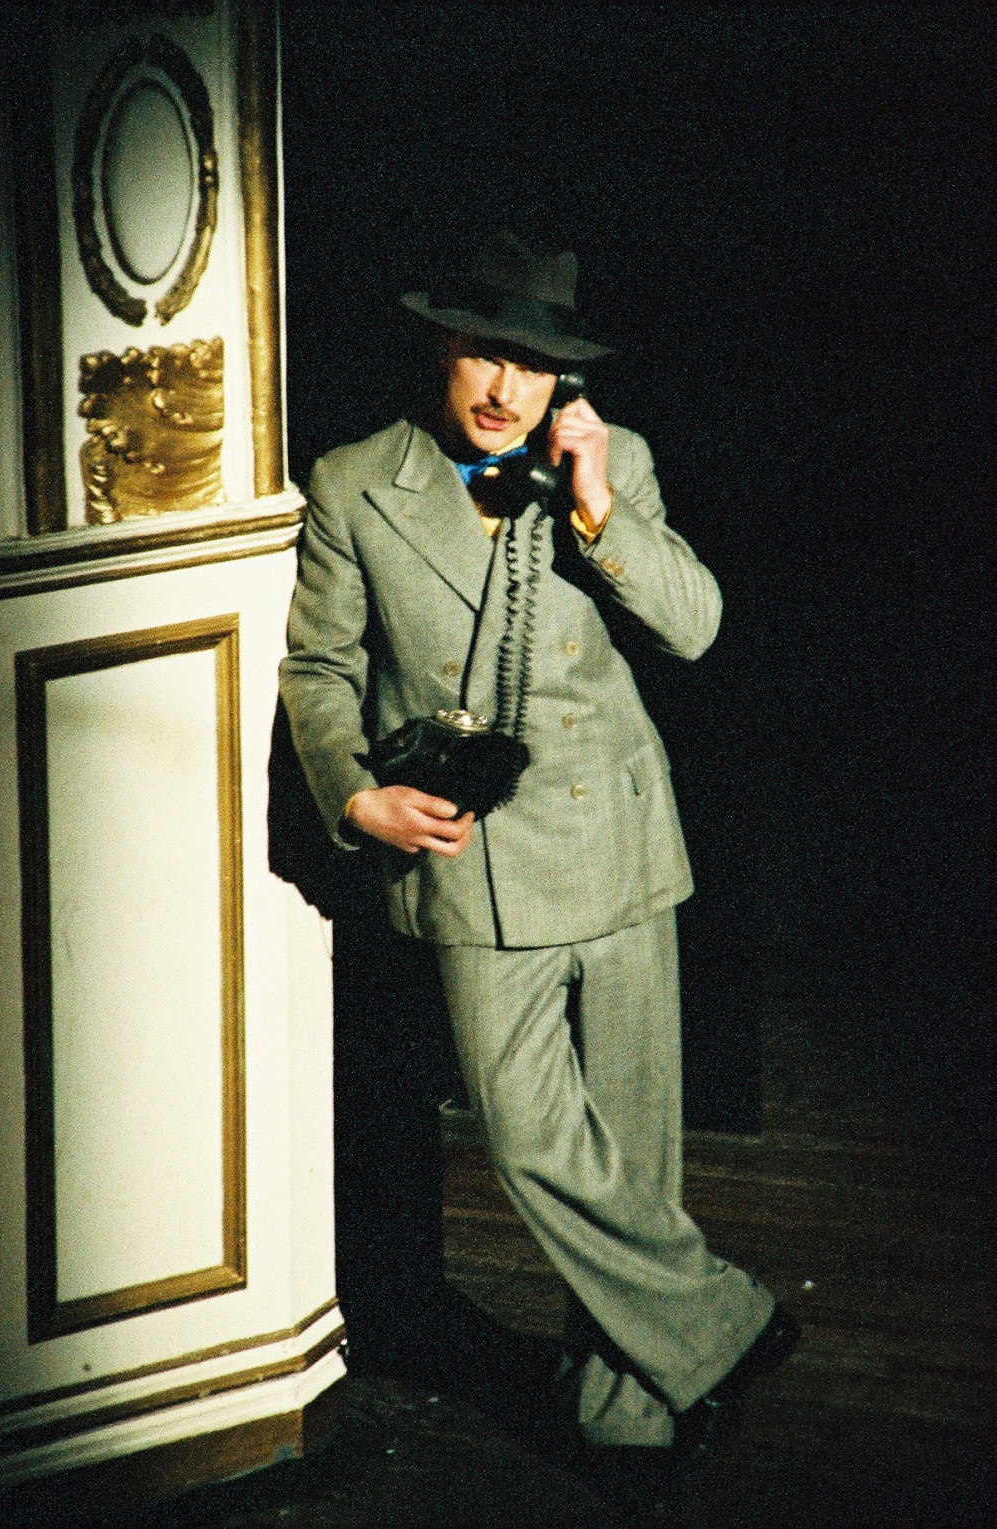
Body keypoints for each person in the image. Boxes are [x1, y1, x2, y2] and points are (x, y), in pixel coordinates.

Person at [279, 231, 798, 1486]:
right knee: (526, 1137)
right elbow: (319, 667)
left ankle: (631, 1416)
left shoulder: (609, 466)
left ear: (563, 374)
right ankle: (727, 1320)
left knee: (632, 1148)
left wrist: (598, 507)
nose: (502, 387)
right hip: (470, 860)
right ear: (439, 347)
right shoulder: (356, 482)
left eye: (529, 362)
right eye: (480, 353)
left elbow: (696, 626)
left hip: (613, 839)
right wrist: (356, 796)